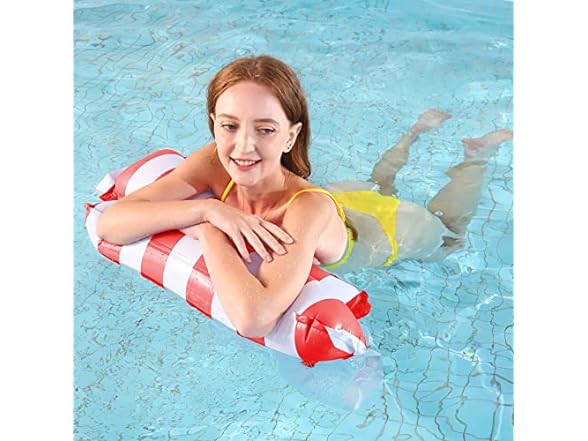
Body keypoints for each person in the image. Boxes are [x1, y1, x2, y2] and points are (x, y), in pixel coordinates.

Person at [97, 55, 513, 338]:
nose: (243, 146)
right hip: (339, 202)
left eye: (265, 129)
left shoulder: (305, 210)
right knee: (379, 183)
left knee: (450, 233)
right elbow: (109, 222)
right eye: (229, 126)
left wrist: (208, 231)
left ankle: (477, 155)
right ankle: (414, 134)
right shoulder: (211, 161)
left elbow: (254, 319)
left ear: (290, 136)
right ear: (213, 123)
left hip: (385, 230)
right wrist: (208, 209)